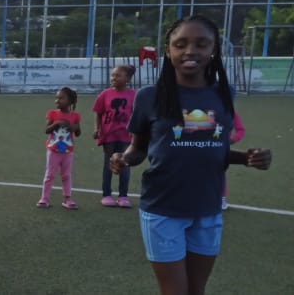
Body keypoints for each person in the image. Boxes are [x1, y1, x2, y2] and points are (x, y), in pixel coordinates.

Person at [110, 15, 272, 295]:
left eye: (201, 44)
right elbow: (139, 148)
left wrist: (248, 158)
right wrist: (123, 158)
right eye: (180, 44)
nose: (190, 51)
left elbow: (213, 148)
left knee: (197, 290)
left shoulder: (225, 93)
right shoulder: (149, 96)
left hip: (208, 207)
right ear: (168, 50)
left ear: (214, 49)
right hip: (163, 208)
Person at [92, 64, 136, 208]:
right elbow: (99, 114)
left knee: (124, 164)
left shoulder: (134, 95)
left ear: (127, 79)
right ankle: (106, 194)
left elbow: (137, 115)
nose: (114, 78)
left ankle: (123, 196)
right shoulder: (105, 94)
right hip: (109, 136)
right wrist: (97, 129)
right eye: (113, 75)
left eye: (118, 76)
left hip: (126, 136)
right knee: (109, 165)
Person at [37, 87, 81, 209]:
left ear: (70, 101)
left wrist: (74, 127)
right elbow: (47, 130)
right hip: (53, 151)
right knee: (50, 175)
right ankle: (44, 198)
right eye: (56, 98)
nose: (57, 100)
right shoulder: (53, 114)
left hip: (68, 152)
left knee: (66, 175)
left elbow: (78, 133)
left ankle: (68, 199)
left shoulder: (75, 116)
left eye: (61, 98)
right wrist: (56, 123)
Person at [221, 113, 245, 210]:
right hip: (202, 146)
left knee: (219, 173)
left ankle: (221, 199)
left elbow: (241, 130)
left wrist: (233, 139)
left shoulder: (230, 113)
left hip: (221, 150)